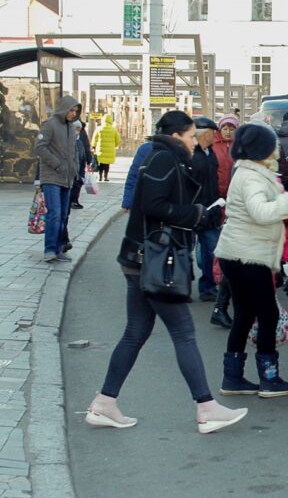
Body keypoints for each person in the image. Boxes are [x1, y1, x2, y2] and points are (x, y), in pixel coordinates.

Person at [85, 111, 247, 434]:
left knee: (135, 332)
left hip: (142, 259)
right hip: (155, 260)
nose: (194, 141)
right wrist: (196, 213)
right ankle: (206, 407)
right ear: (176, 136)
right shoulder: (163, 160)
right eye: (190, 135)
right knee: (183, 332)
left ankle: (104, 403)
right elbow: (154, 206)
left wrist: (198, 213)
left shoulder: (162, 157)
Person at [214, 123, 288, 397]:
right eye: (272, 145)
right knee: (267, 313)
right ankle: (269, 379)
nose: (276, 149)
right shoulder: (252, 177)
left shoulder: (249, 172)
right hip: (249, 256)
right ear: (261, 148)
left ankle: (233, 378)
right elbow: (261, 212)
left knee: (245, 314)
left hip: (238, 253)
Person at [34, 94, 80, 262]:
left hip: (67, 178)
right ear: (64, 109)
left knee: (63, 215)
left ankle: (59, 248)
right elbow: (40, 147)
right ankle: (50, 249)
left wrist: (75, 169)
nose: (74, 113)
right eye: (71, 110)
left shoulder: (71, 128)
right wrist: (57, 164)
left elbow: (74, 151)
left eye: (76, 111)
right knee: (54, 213)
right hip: (52, 177)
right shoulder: (50, 125)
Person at [209, 114, 239, 328]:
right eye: (225, 127)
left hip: (232, 204)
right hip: (221, 202)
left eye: (232, 128)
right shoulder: (214, 147)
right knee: (222, 252)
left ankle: (221, 308)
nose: (228, 131)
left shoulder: (239, 149)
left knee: (230, 258)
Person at [191, 117, 222, 301]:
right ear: (204, 133)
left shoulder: (210, 153)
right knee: (184, 250)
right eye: (213, 132)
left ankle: (208, 286)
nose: (215, 136)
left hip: (210, 210)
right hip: (192, 210)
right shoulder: (191, 154)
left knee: (211, 249)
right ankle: (180, 286)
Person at [91, 114, 121, 182]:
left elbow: (95, 138)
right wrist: (115, 145)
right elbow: (118, 140)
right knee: (107, 164)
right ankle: (106, 176)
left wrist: (93, 146)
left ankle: (100, 176)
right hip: (110, 150)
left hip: (100, 150)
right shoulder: (114, 129)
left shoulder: (99, 128)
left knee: (101, 163)